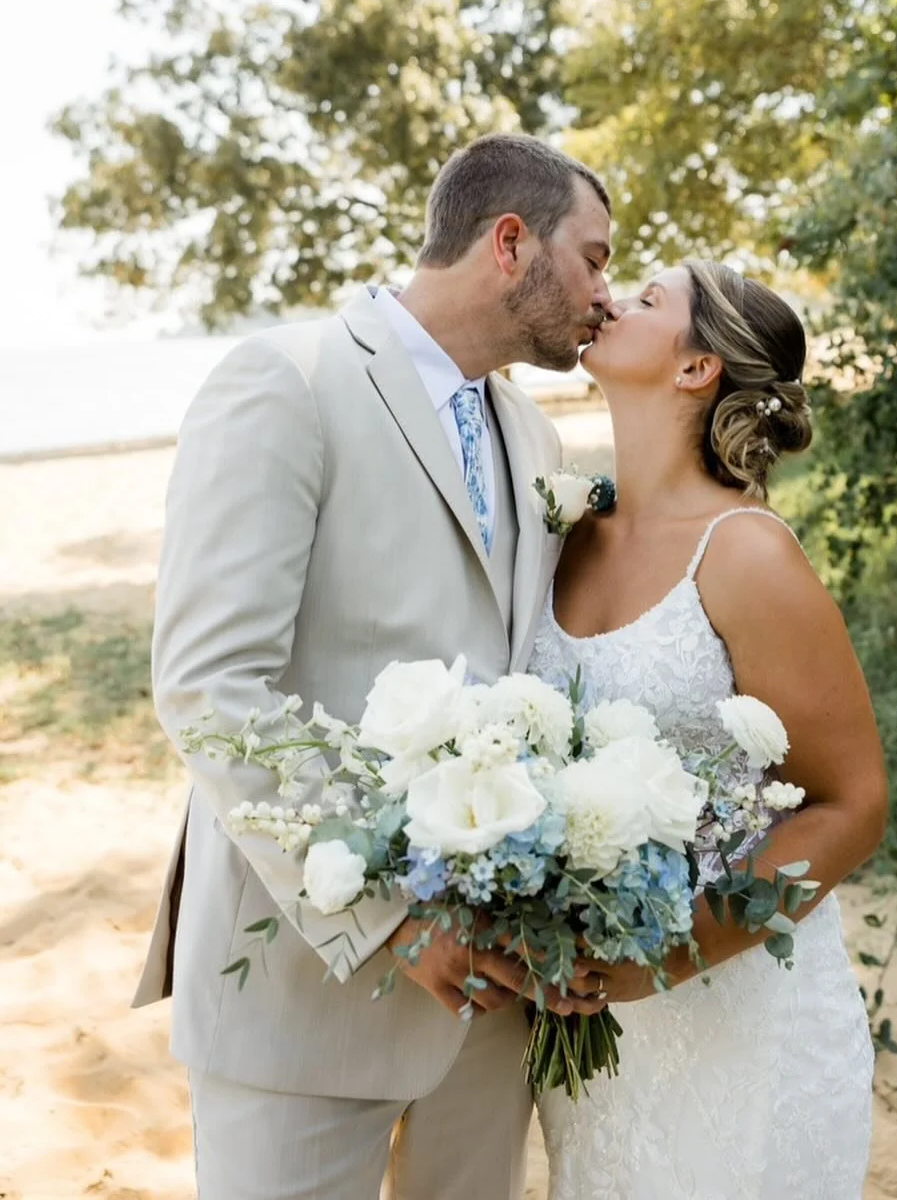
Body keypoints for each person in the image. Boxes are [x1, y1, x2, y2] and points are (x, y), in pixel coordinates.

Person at [133, 133, 616, 1200]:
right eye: (593, 257)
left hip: (487, 1010)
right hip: (305, 990)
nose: (603, 294)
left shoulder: (534, 438)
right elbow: (213, 686)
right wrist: (388, 916)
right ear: (508, 244)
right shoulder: (285, 380)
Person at [528, 261, 887, 1199]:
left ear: (695, 370)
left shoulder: (744, 553)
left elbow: (851, 806)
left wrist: (659, 957)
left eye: (646, 300)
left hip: (738, 1009)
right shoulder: (569, 528)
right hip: (594, 1022)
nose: (607, 299)